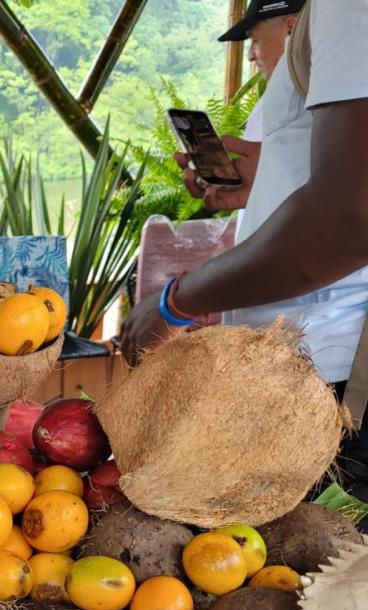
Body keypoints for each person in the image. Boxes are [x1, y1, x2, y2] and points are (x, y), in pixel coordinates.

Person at [120, 0, 368, 386]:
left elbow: (348, 221)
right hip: (313, 361)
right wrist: (272, 177)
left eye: (254, 39)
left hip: (334, 366)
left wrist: (176, 302)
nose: (250, 54)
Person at [223, 0, 307, 144]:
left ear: (291, 29)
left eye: (255, 40)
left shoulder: (309, 97)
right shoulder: (275, 96)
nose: (250, 56)